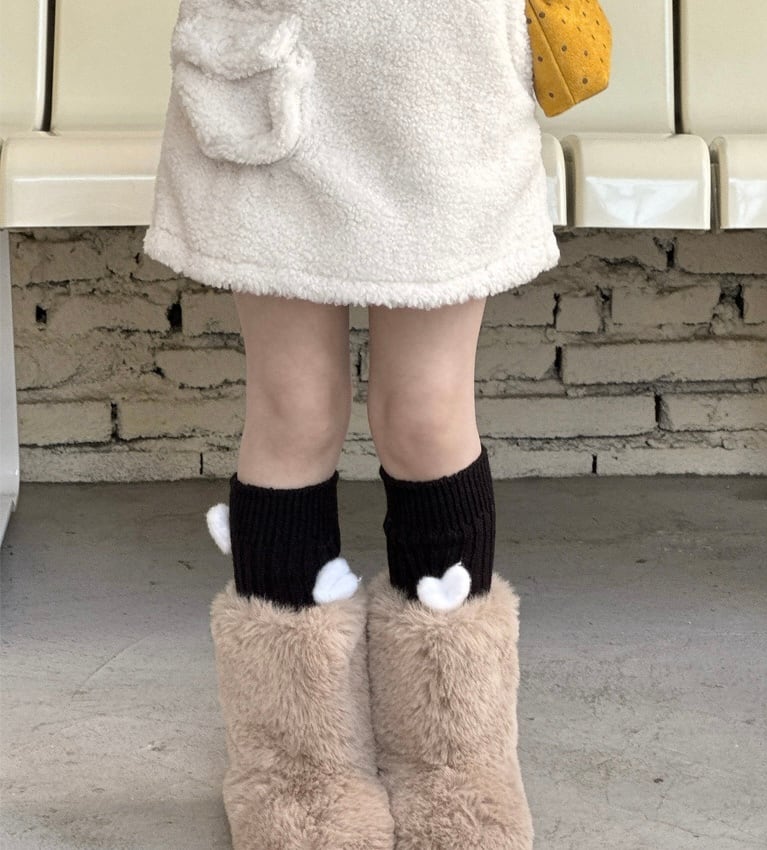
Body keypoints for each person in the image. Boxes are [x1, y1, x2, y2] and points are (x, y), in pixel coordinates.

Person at [142, 1, 559, 847]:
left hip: (446, 79)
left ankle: (457, 756)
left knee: (427, 414)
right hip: (277, 70)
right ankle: (295, 764)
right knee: (294, 410)